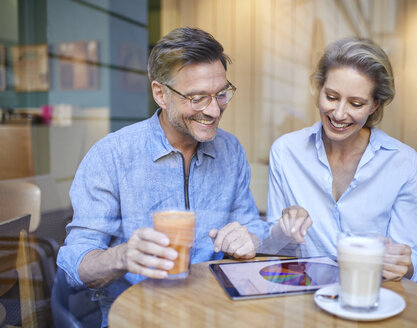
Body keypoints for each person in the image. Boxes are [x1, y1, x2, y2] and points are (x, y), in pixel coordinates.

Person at [56, 27, 269, 327]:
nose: (213, 110)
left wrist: (249, 239)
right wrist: (123, 256)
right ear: (160, 94)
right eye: (197, 98)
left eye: (221, 94)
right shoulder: (111, 156)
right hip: (136, 319)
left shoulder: (230, 150)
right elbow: (74, 264)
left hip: (217, 316)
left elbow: (252, 226)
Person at [267, 37, 417, 286]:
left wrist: (404, 264)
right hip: (306, 300)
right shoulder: (286, 152)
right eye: (331, 97)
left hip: (372, 299)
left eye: (356, 103)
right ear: (318, 89)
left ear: (375, 104)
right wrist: (283, 229)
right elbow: (271, 253)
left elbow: (415, 263)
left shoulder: (402, 162)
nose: (339, 114)